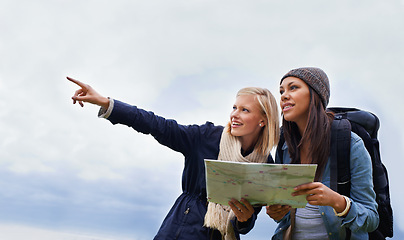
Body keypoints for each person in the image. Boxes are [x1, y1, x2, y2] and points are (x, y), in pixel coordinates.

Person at [67, 77, 280, 240]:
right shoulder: (206, 136)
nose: (234, 114)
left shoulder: (265, 166)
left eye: (244, 110)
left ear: (263, 120)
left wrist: (244, 219)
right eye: (234, 107)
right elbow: (157, 124)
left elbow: (248, 222)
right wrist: (106, 103)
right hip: (181, 228)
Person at [266, 67, 379, 240]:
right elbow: (287, 218)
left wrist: (337, 202)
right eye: (281, 91)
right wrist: (278, 212)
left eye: (293, 87)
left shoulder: (351, 144)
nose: (283, 95)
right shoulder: (284, 145)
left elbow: (371, 219)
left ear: (315, 94)